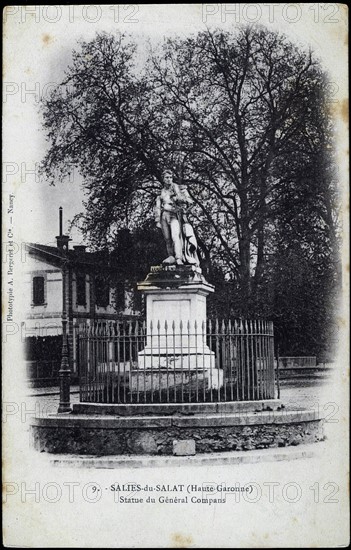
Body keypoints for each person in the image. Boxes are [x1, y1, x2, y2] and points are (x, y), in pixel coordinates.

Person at [155, 170, 199, 267]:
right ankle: (171, 256)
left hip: (174, 214)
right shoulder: (161, 192)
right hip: (164, 216)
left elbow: (188, 201)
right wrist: (157, 220)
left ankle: (178, 257)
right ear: (163, 179)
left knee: (175, 236)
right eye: (167, 177)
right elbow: (158, 207)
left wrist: (178, 198)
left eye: (170, 177)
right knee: (167, 239)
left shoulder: (177, 188)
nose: (169, 179)